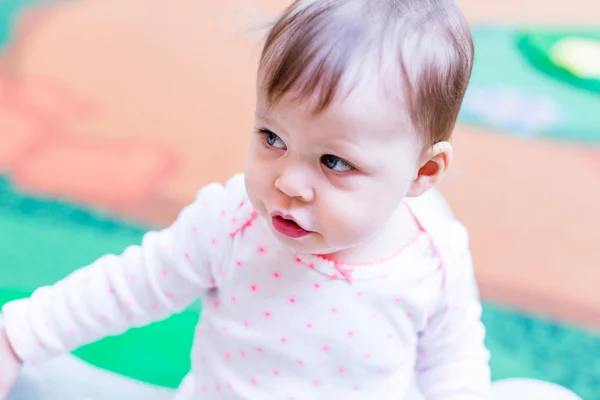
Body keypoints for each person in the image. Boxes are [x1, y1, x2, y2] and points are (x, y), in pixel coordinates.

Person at [0, 0, 583, 399]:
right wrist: (19, 335)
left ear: (422, 172)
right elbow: (130, 286)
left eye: (334, 162)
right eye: (272, 138)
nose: (289, 183)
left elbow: (452, 364)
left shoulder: (432, 251)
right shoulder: (233, 221)